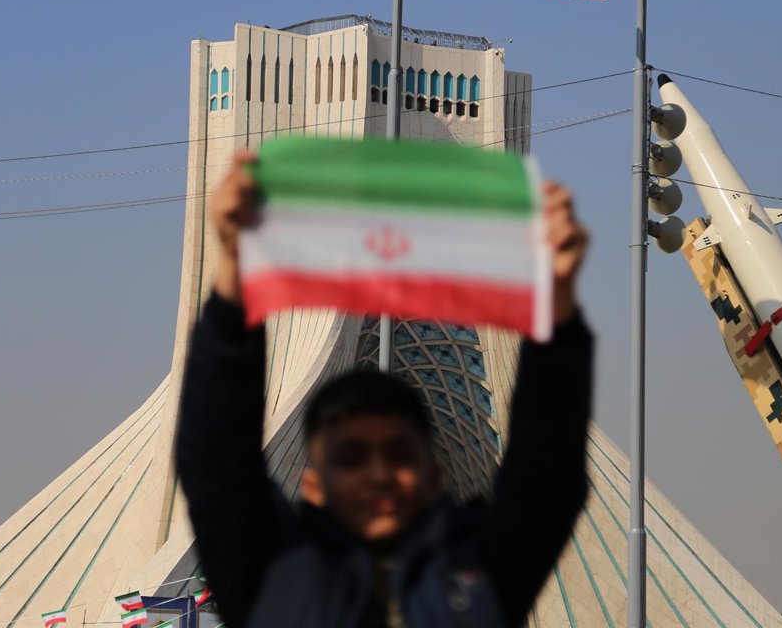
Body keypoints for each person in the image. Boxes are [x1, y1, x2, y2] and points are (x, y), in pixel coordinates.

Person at [174, 149, 594, 628]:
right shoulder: (272, 576)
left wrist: (557, 304)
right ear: (312, 485)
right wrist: (234, 275)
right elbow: (217, 463)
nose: (379, 475)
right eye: (351, 457)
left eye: (399, 454)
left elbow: (546, 476)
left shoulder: (478, 577)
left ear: (434, 474)